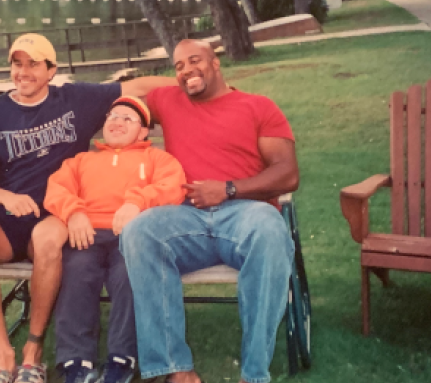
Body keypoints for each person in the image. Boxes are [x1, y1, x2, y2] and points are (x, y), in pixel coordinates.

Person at [0, 33, 176, 383]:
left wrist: (193, 81)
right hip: (7, 212)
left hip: (56, 213)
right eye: (17, 63)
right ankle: (3, 356)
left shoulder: (76, 99)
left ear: (51, 70)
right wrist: (5, 197)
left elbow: (136, 87)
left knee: (49, 243)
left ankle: (33, 349)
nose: (23, 72)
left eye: (33, 64)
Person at [119, 39, 300, 383]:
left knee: (270, 228)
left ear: (216, 62)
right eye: (178, 66)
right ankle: (176, 369)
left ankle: (254, 372)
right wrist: (179, 80)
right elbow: (125, 92)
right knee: (139, 231)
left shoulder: (257, 106)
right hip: (186, 218)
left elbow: (288, 173)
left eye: (195, 61)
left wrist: (228, 188)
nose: (186, 70)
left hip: (245, 213)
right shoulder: (169, 100)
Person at [44, 96, 186, 383]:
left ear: (143, 132)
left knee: (129, 275)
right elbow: (57, 188)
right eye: (112, 116)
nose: (117, 122)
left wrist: (137, 202)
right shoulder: (82, 161)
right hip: (87, 232)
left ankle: (122, 359)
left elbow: (173, 187)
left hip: (132, 235)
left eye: (127, 118)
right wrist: (73, 213)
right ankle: (76, 361)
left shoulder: (156, 158)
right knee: (76, 271)